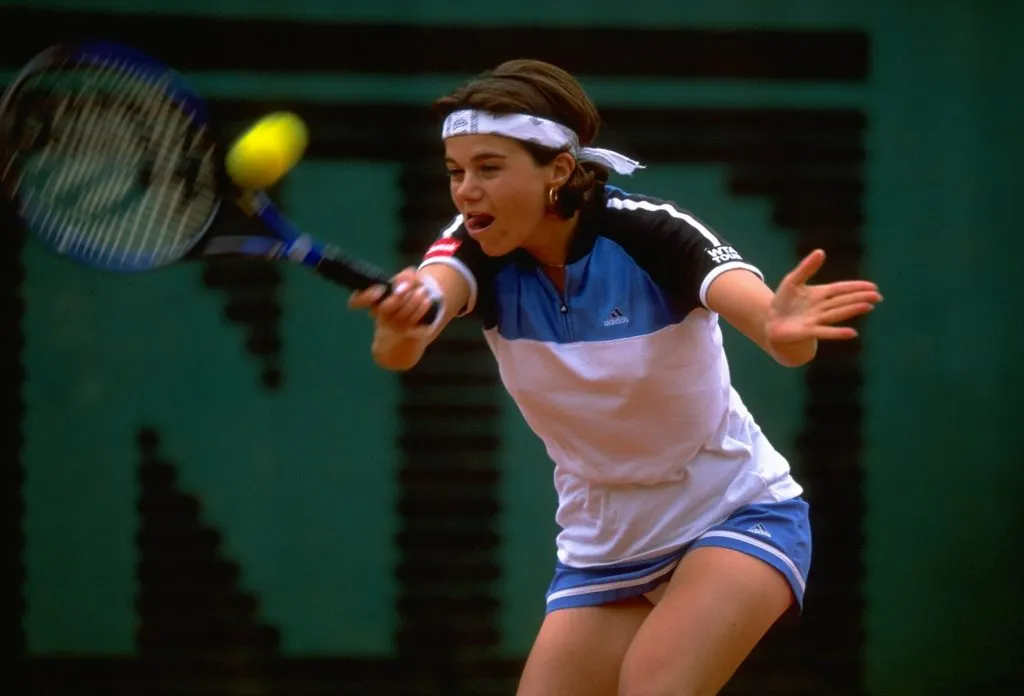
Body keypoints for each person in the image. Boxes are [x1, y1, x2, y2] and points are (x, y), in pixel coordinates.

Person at [348, 59, 882, 696]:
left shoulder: (650, 231)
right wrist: (399, 321)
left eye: (489, 168)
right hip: (604, 538)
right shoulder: (471, 246)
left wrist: (783, 328)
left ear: (558, 170)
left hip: (733, 512)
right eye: (456, 171)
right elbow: (407, 342)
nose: (466, 191)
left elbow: (776, 332)